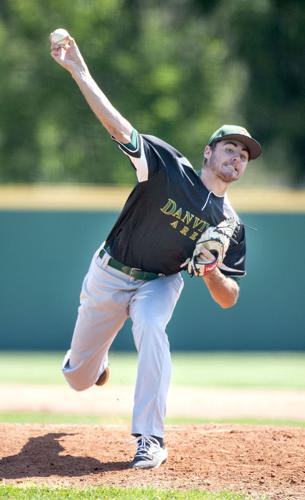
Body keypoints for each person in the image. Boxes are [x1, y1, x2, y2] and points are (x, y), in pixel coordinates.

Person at [50, 33, 261, 469]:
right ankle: (91, 360)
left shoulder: (230, 224)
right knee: (77, 380)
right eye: (230, 149)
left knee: (150, 326)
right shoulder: (166, 167)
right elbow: (116, 125)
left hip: (161, 282)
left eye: (244, 155)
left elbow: (229, 299)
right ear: (209, 152)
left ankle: (150, 438)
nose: (237, 158)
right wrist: (78, 70)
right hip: (110, 272)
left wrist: (212, 272)